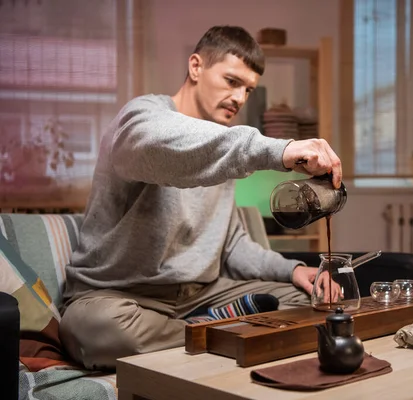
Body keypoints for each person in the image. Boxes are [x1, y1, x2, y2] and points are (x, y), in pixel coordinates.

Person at [58, 25, 342, 371]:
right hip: (119, 297)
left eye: (249, 90)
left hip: (202, 295)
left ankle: (213, 328)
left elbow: (233, 245)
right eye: (232, 81)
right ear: (196, 67)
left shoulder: (220, 151)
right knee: (97, 330)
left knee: (303, 303)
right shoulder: (140, 119)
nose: (239, 98)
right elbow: (163, 145)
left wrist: (293, 270)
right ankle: (222, 330)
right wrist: (279, 150)